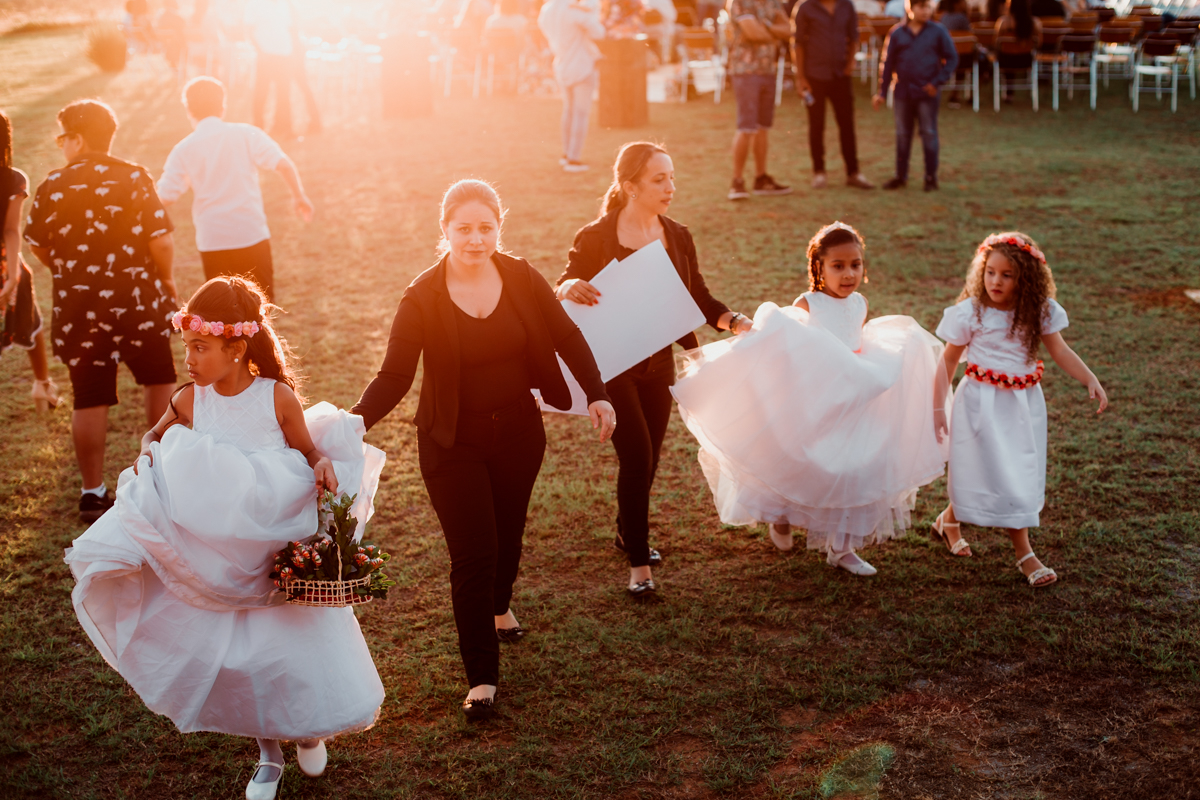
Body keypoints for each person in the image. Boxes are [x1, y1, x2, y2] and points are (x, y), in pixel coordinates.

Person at [64, 276, 385, 800]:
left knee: (290, 645)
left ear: (237, 348)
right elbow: (154, 435)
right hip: (219, 549)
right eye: (186, 346)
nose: (188, 358)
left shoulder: (276, 397)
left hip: (272, 540)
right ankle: (268, 752)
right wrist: (148, 453)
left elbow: (306, 451)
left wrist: (322, 462)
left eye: (200, 348)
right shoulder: (191, 399)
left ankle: (307, 728)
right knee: (245, 656)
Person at [352, 179, 616, 720]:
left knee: (509, 531)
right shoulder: (421, 295)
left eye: (486, 228)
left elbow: (566, 335)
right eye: (464, 229)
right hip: (452, 442)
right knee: (474, 554)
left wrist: (598, 394)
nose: (476, 239)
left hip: (520, 432)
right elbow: (396, 374)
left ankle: (499, 607)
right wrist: (350, 424)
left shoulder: (520, 276)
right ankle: (482, 678)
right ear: (444, 231)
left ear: (500, 226)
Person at [671, 222, 948, 576]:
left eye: (856, 265)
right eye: (838, 266)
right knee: (802, 461)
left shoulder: (860, 302)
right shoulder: (807, 303)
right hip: (814, 397)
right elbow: (788, 344)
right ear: (819, 267)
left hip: (851, 397)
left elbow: (854, 342)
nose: (848, 274)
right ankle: (781, 516)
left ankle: (842, 548)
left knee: (856, 466)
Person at [556, 142, 753, 595]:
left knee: (652, 459)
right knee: (637, 456)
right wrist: (569, 287)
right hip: (612, 363)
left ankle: (628, 530)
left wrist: (734, 320)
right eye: (659, 180)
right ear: (629, 187)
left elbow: (698, 297)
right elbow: (565, 281)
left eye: (671, 177)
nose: (670, 187)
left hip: (658, 362)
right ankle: (639, 567)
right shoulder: (597, 236)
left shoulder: (677, 235)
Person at [24, 99, 178, 523]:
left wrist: (64, 268)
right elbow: (161, 239)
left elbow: (35, 240)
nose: (61, 146)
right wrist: (165, 280)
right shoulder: (133, 177)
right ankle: (158, 478)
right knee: (158, 379)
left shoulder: (53, 184)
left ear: (76, 138)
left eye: (62, 138)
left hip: (79, 305)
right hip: (138, 298)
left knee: (89, 396)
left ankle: (92, 493)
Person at [933, 232, 1107, 587]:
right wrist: (939, 405)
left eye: (1007, 274)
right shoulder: (972, 312)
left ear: (1024, 277)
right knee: (982, 467)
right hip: (979, 403)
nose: (996, 281)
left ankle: (951, 522)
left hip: (1021, 405)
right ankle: (1023, 553)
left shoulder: (1037, 311)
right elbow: (948, 359)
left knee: (1012, 470)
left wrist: (1089, 377)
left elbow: (1059, 351)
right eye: (990, 272)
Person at [158, 77, 314, 304]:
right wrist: (299, 195)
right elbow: (283, 163)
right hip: (251, 234)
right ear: (223, 106)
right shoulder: (245, 134)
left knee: (224, 313)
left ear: (188, 109)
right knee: (260, 308)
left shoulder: (183, 149)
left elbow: (166, 196)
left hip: (213, 240)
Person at [0, 110, 59, 411]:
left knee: (30, 322)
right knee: (29, 323)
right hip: (7, 265)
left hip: (7, 267)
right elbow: (11, 231)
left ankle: (42, 385)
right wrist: (11, 277)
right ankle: (42, 385)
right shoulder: (12, 178)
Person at [873, 0, 957, 192]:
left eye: (928, 7)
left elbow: (951, 58)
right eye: (921, 7)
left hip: (927, 91)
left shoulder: (938, 31)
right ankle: (900, 176)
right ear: (910, 8)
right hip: (903, 91)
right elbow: (887, 64)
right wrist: (882, 92)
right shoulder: (897, 33)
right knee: (903, 135)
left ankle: (930, 177)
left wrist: (937, 82)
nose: (925, 11)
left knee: (928, 133)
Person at [792, 0, 875, 190]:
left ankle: (853, 172)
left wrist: (850, 64)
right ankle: (819, 172)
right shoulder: (805, 8)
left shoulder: (846, 6)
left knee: (847, 124)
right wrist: (800, 77)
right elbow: (798, 43)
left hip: (840, 75)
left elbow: (854, 37)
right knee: (816, 125)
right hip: (814, 76)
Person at [725, 0, 793, 200]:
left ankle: (761, 178)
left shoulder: (773, 2)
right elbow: (753, 33)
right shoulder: (739, 2)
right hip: (745, 71)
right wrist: (773, 31)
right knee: (746, 127)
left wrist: (765, 27)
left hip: (768, 70)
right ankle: (737, 182)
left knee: (763, 127)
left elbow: (788, 30)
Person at [538, 0, 606, 172]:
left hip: (561, 64)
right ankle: (573, 159)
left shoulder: (548, 9)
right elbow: (599, 32)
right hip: (581, 66)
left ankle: (566, 154)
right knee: (581, 113)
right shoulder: (574, 10)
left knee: (568, 111)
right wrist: (592, 11)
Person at [246, 0, 301, 140]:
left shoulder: (285, 4)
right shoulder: (255, 4)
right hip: (266, 55)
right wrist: (260, 52)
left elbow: (289, 30)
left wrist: (293, 52)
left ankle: (285, 128)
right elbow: (248, 30)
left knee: (284, 94)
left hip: (284, 55)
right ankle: (258, 129)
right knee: (261, 93)